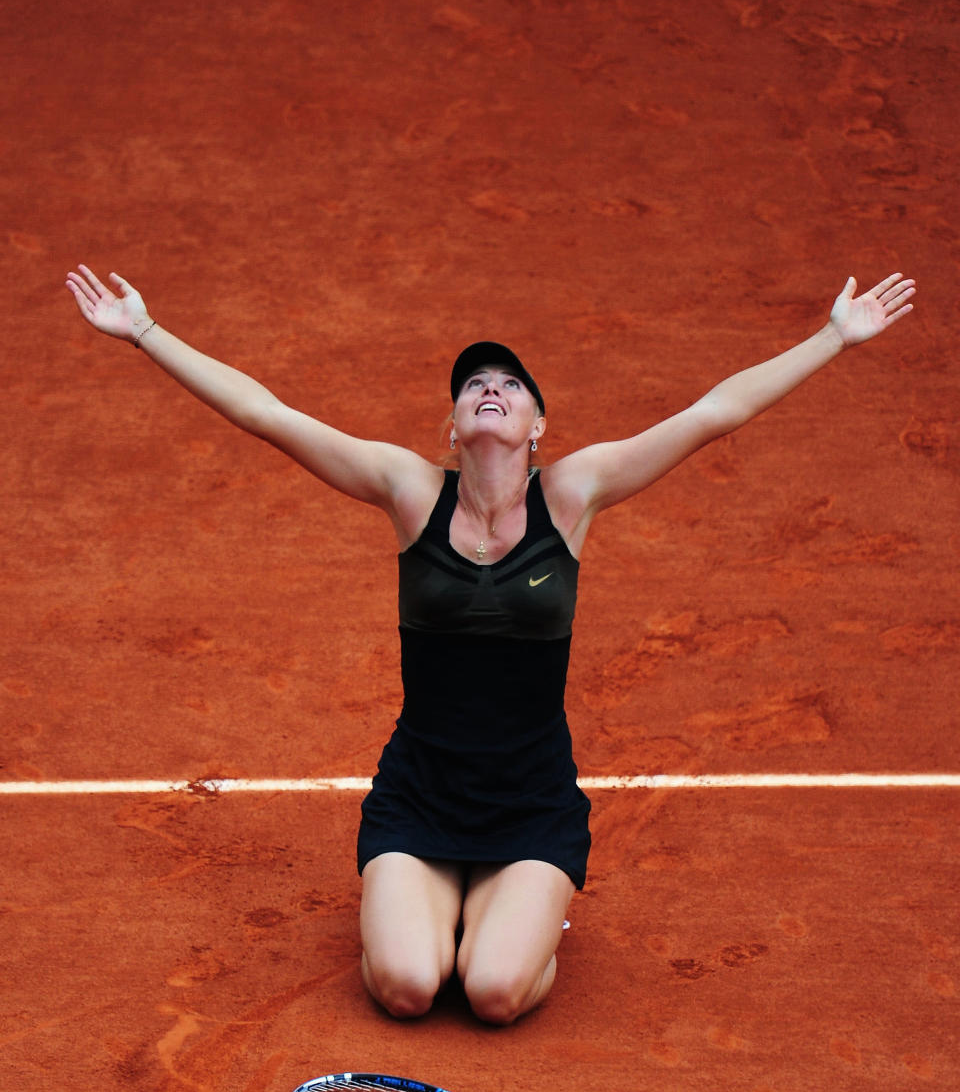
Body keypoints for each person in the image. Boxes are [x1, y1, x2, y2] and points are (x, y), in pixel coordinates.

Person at [65, 264, 915, 1024]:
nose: (491, 388)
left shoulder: (576, 493)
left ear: (538, 425)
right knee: (406, 987)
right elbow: (268, 415)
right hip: (420, 794)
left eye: (510, 384)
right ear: (451, 426)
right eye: (474, 383)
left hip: (530, 801)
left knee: (494, 993)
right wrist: (145, 331)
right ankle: (448, 908)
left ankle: (521, 916)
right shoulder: (408, 491)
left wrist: (832, 339)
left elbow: (712, 415)